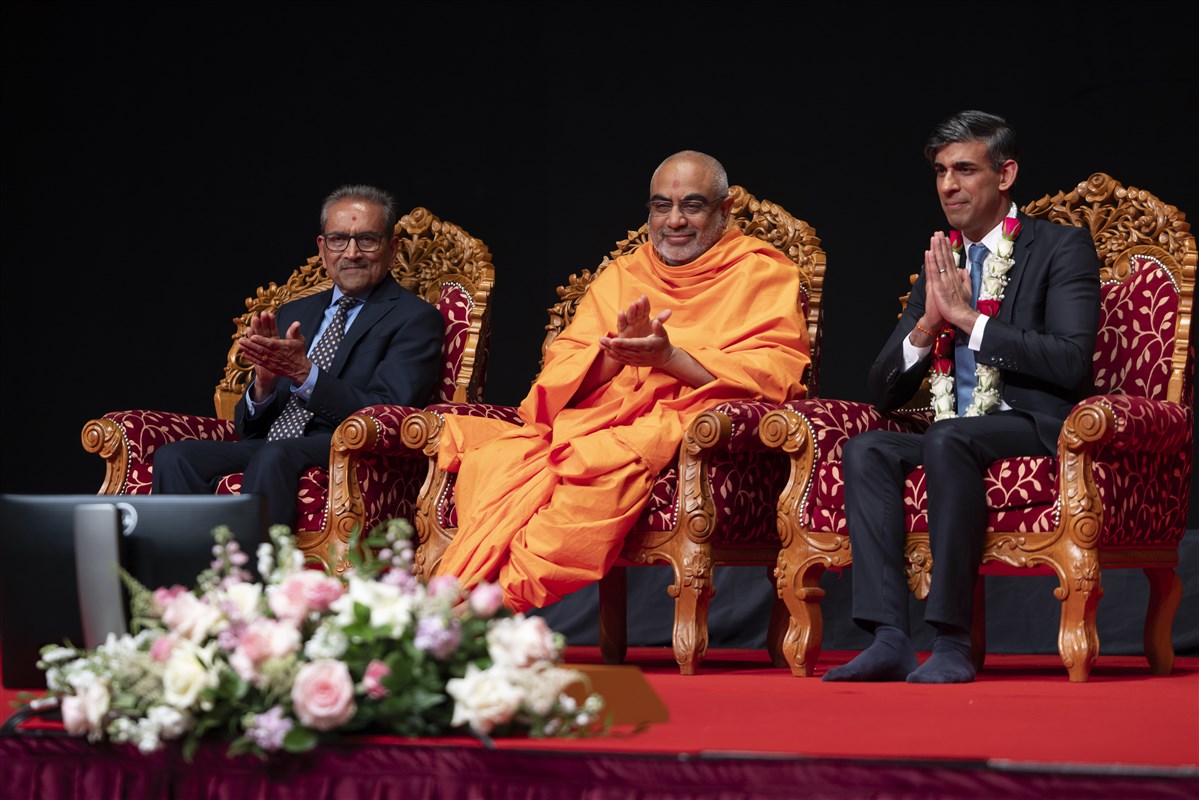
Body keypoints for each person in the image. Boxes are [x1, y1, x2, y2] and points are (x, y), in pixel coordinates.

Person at [432, 150, 812, 612]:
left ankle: (487, 608)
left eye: (692, 206)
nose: (674, 221)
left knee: (600, 472)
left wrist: (670, 358)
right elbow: (562, 368)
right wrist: (615, 355)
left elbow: (776, 371)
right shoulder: (625, 273)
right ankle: (459, 603)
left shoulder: (763, 272)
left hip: (682, 425)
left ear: (725, 209)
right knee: (495, 462)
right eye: (661, 206)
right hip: (594, 422)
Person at [823, 110, 1101, 684]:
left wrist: (970, 320)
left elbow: (1070, 359)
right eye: (941, 171)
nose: (949, 185)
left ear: (1005, 174)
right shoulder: (941, 261)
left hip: (1032, 424)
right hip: (955, 429)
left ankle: (951, 642)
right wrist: (929, 324)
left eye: (965, 170)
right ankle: (889, 637)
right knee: (868, 448)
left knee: (948, 437)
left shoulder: (1060, 248)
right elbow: (882, 390)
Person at [152, 184, 445, 529]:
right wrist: (264, 384)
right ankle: (186, 563)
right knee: (175, 456)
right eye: (338, 240)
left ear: (392, 249)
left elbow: (388, 411)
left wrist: (305, 375)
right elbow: (248, 431)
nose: (352, 253)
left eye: (367, 240)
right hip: (273, 445)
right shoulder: (296, 311)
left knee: (275, 454)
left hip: (343, 448)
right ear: (322, 248)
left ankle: (256, 565)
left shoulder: (415, 319)